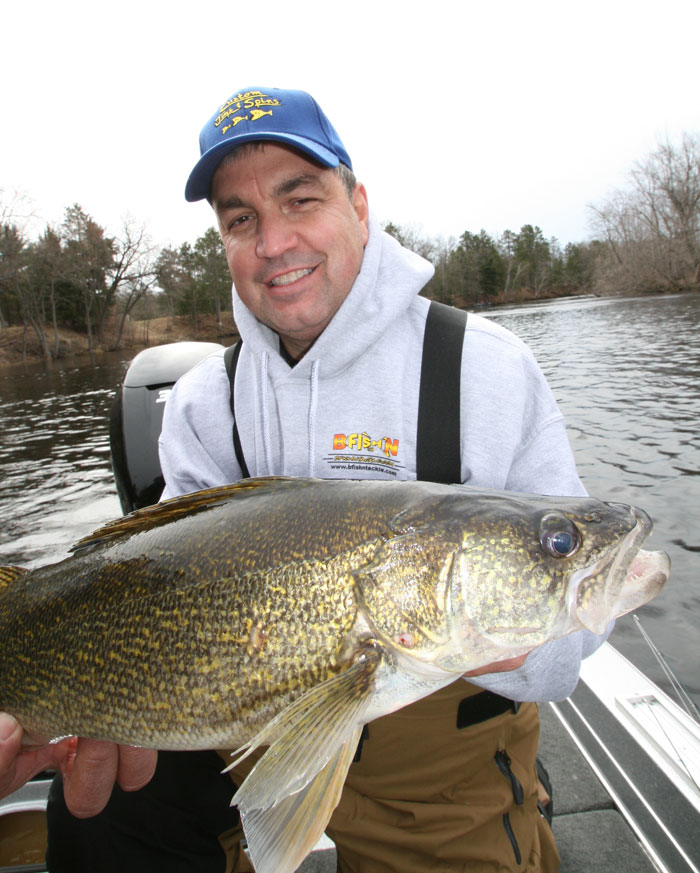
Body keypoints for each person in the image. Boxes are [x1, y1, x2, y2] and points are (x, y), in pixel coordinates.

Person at [6, 87, 609, 872]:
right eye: (240, 219)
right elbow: (152, 596)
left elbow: (563, 659)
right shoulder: (201, 401)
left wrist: (483, 625)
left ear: (359, 204)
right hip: (236, 721)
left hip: (436, 754)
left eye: (301, 198)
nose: (274, 241)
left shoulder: (487, 370)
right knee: (100, 816)